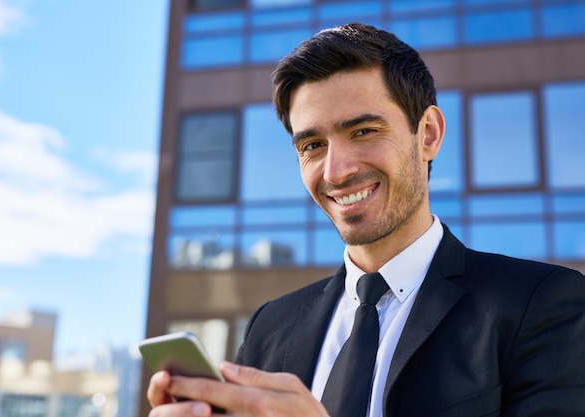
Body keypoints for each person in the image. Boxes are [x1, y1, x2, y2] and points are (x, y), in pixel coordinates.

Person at [147, 23, 585, 417]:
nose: (336, 172)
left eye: (363, 131)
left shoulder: (544, 305)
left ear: (428, 134)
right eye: (312, 145)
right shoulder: (270, 327)